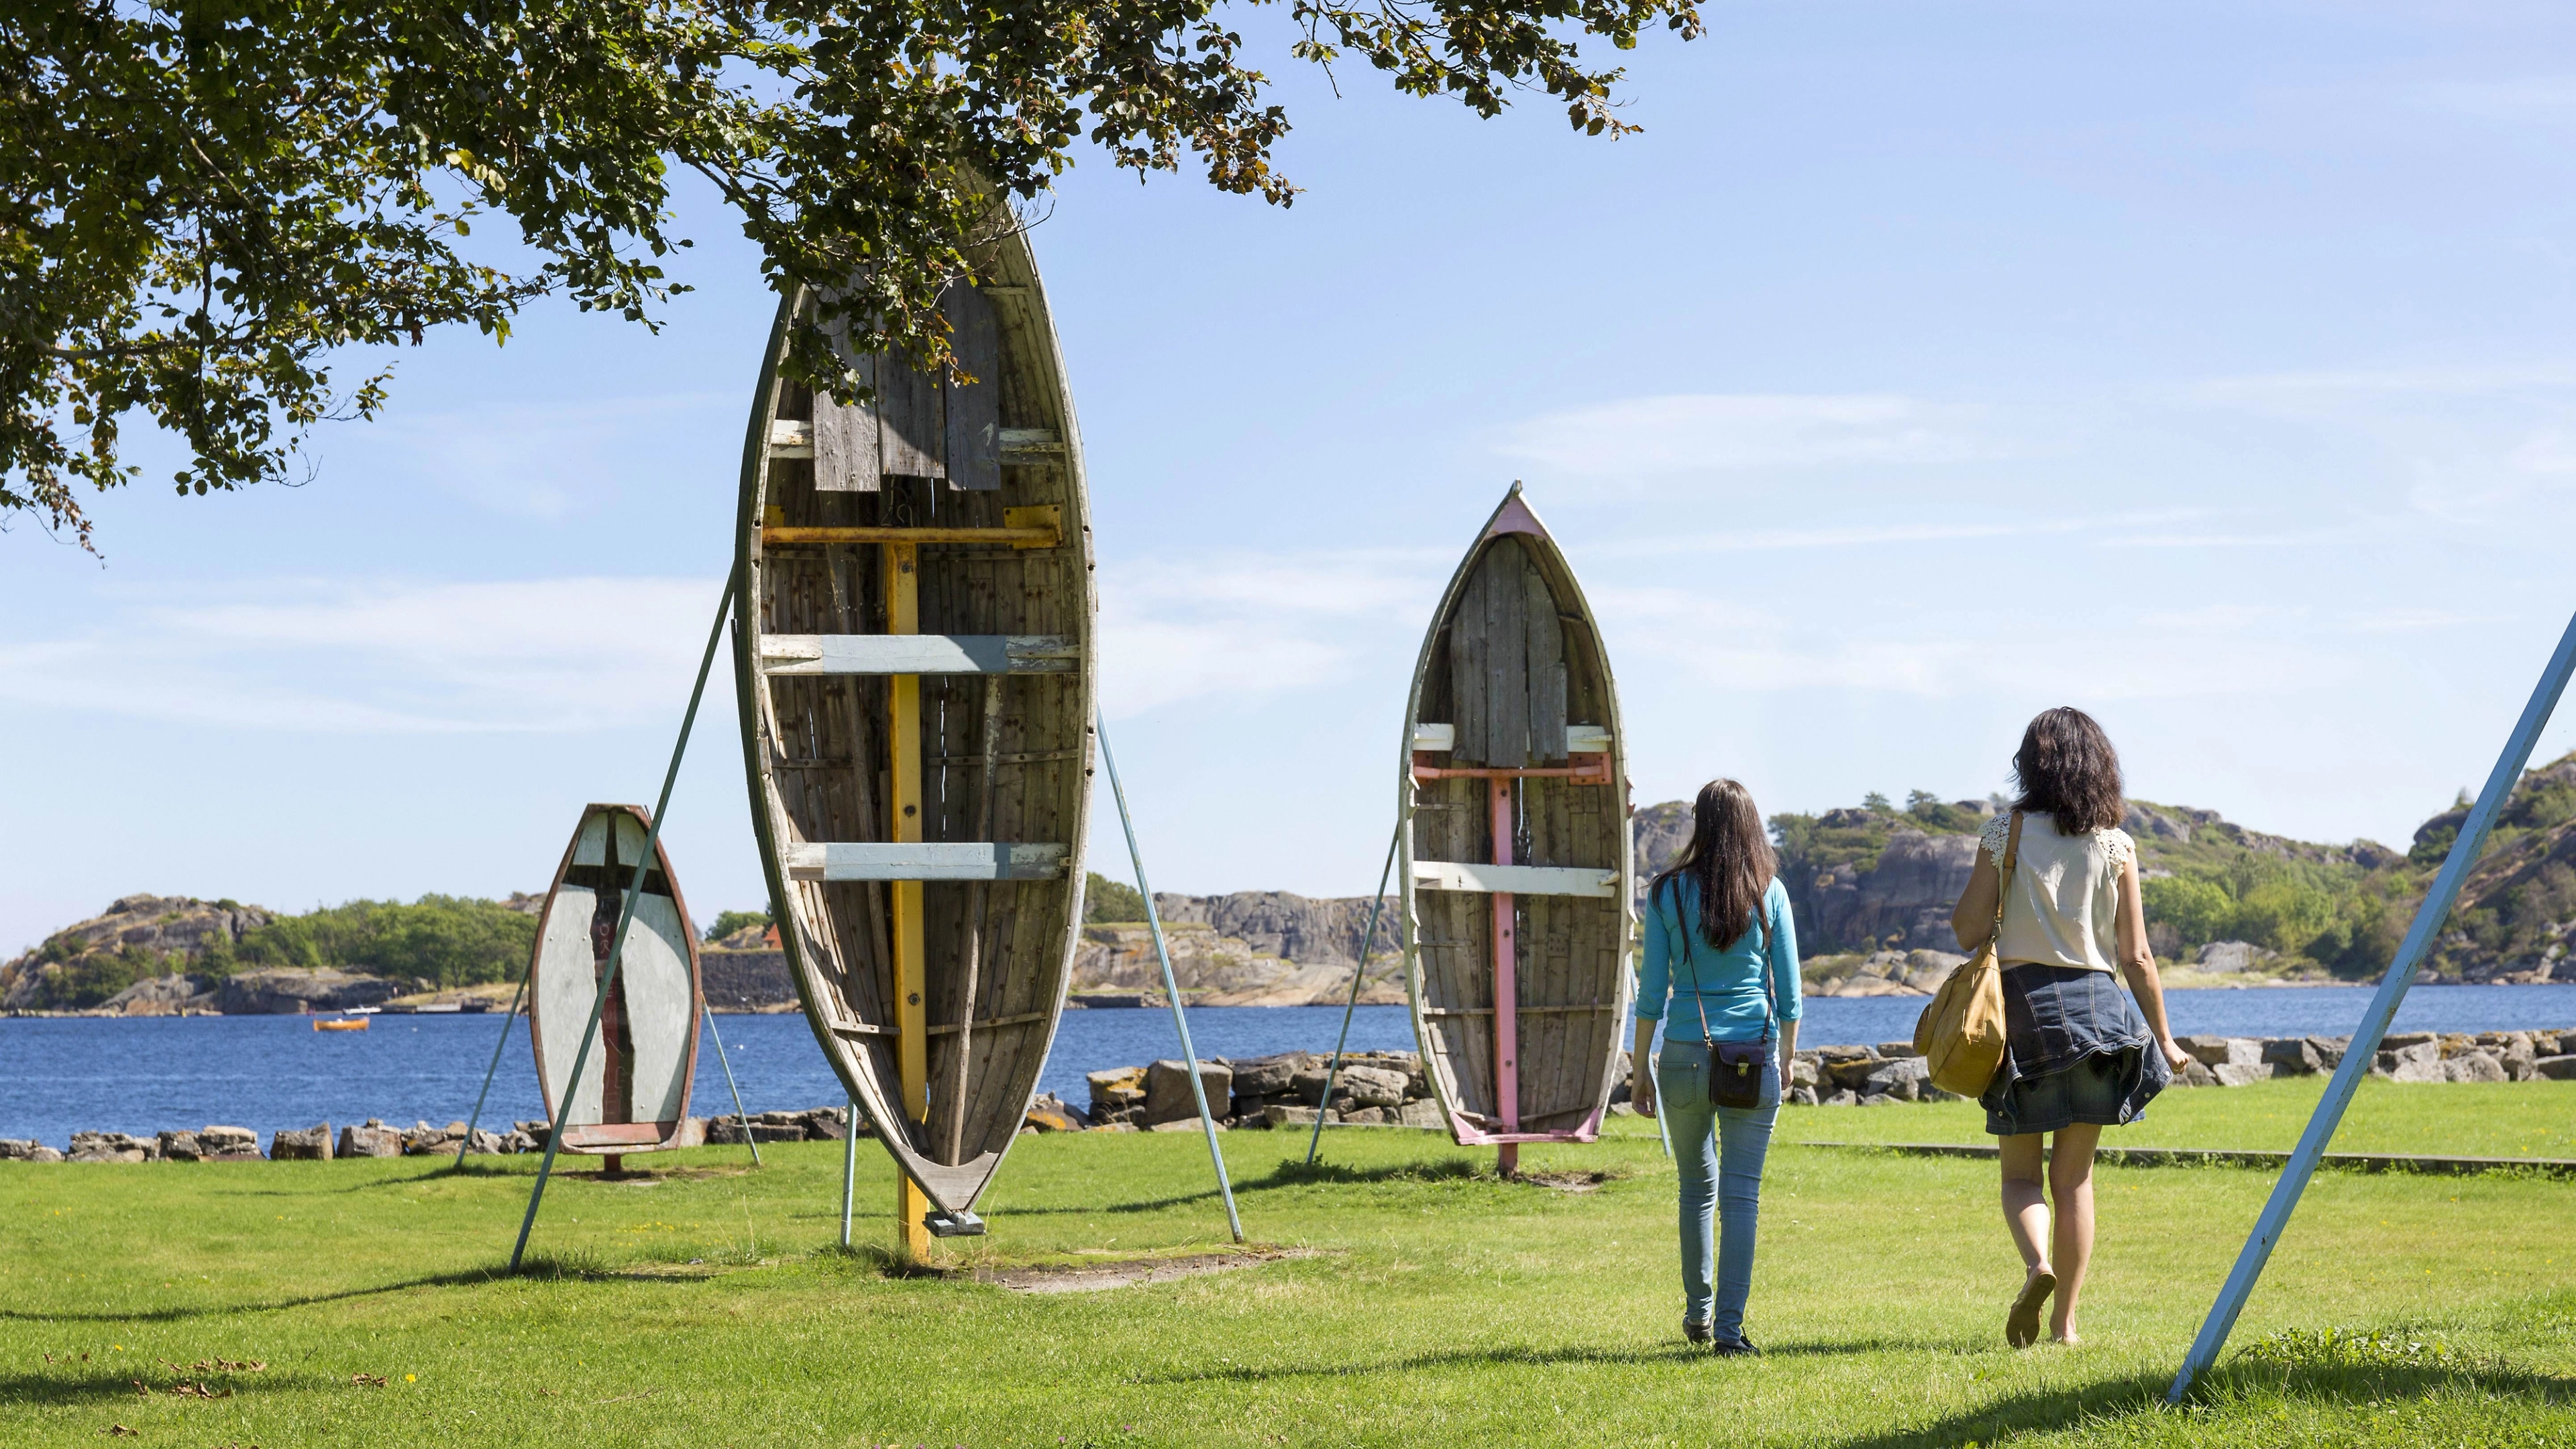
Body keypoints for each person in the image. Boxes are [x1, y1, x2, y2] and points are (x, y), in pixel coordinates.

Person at [1949, 706, 2191, 1348]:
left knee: (2021, 1176)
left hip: (2024, 1014)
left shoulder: (2006, 833)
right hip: (2099, 1017)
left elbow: (1969, 930)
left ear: (2031, 764)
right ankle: (2066, 1326)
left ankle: (2038, 1266)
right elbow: (2137, 956)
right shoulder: (2115, 844)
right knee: (2075, 1178)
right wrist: (2164, 1039)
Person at [1631, 777, 1800, 1354]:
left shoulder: (1667, 894)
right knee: (1741, 1195)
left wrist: (1638, 1071)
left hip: (1681, 1055)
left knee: (1694, 1188)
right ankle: (1730, 1330)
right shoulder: (1768, 893)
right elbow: (1793, 997)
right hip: (1752, 1056)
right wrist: (1789, 1060)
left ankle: (1697, 1316)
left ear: (1700, 825)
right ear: (1752, 825)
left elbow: (1650, 994)